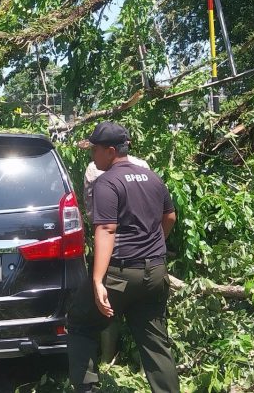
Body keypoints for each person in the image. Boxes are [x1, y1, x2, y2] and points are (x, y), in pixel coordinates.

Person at [67, 121, 179, 393]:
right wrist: (152, 246)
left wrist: (97, 280)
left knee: (80, 322)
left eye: (94, 150)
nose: (92, 156)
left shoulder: (107, 182)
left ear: (109, 151)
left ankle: (87, 389)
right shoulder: (152, 178)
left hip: (120, 274)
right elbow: (170, 217)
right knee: (154, 339)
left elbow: (106, 228)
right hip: (155, 272)